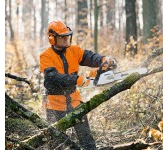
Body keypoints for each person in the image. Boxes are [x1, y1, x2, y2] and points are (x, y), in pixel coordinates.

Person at [39, 20, 116, 150]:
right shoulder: (45, 56)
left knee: (86, 138)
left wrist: (103, 60)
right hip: (54, 105)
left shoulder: (73, 50)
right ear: (52, 39)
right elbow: (53, 77)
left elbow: (89, 57)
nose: (66, 39)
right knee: (56, 142)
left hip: (74, 100)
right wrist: (77, 79)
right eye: (62, 36)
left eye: (67, 35)